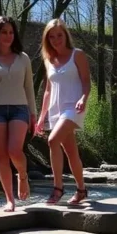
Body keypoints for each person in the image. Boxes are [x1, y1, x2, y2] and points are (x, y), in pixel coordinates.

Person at [0, 16, 37, 212]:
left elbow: (29, 88)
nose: (8, 36)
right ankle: (10, 200)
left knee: (14, 151)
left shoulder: (23, 58)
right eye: (4, 32)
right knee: (2, 156)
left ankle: (22, 175)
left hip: (20, 109)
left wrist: (33, 115)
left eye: (11, 32)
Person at [36, 18, 90, 205]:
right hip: (55, 110)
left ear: (66, 35)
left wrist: (84, 98)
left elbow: (86, 81)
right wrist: (41, 116)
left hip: (74, 106)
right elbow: (48, 90)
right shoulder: (48, 59)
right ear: (47, 39)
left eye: (59, 35)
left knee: (53, 141)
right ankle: (82, 190)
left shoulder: (78, 55)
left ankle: (58, 188)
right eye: (51, 37)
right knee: (71, 153)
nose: (56, 39)